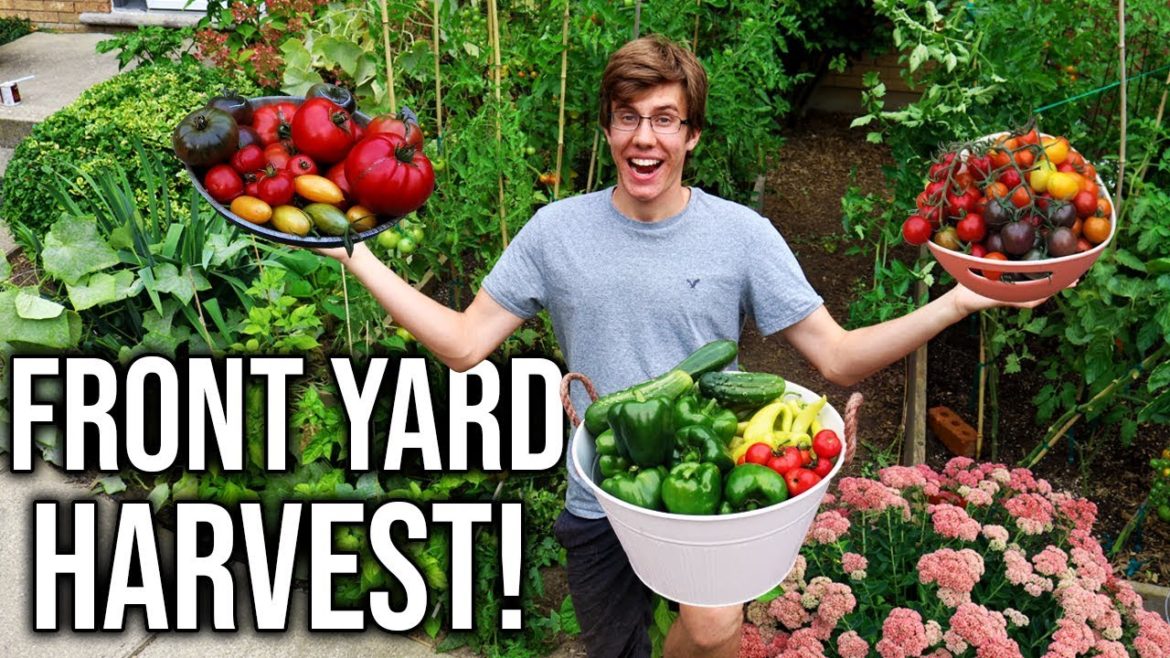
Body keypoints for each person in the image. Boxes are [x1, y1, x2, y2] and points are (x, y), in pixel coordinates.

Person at [319, 34, 1043, 658]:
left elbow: (837, 357)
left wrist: (959, 300)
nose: (646, 138)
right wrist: (358, 256)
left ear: (692, 135)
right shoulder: (555, 231)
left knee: (712, 625)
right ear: (607, 128)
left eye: (666, 120)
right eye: (629, 118)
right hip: (603, 487)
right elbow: (463, 343)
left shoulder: (741, 234)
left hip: (703, 478)